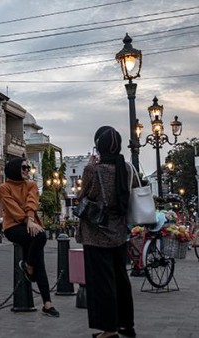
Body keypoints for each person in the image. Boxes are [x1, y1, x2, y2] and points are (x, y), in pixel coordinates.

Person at [76, 126, 136, 338]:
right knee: (121, 278)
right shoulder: (126, 168)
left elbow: (82, 196)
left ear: (98, 146)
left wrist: (90, 167)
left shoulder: (94, 170)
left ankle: (108, 329)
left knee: (101, 283)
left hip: (96, 233)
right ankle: (125, 324)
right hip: (119, 231)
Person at [0, 157, 59, 318]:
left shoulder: (31, 185)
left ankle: (47, 303)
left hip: (30, 225)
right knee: (40, 237)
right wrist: (27, 221)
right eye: (23, 167)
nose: (27, 170)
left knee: (40, 258)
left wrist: (31, 220)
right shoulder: (4, 188)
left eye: (28, 167)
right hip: (13, 227)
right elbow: (12, 208)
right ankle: (29, 266)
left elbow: (32, 202)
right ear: (14, 169)